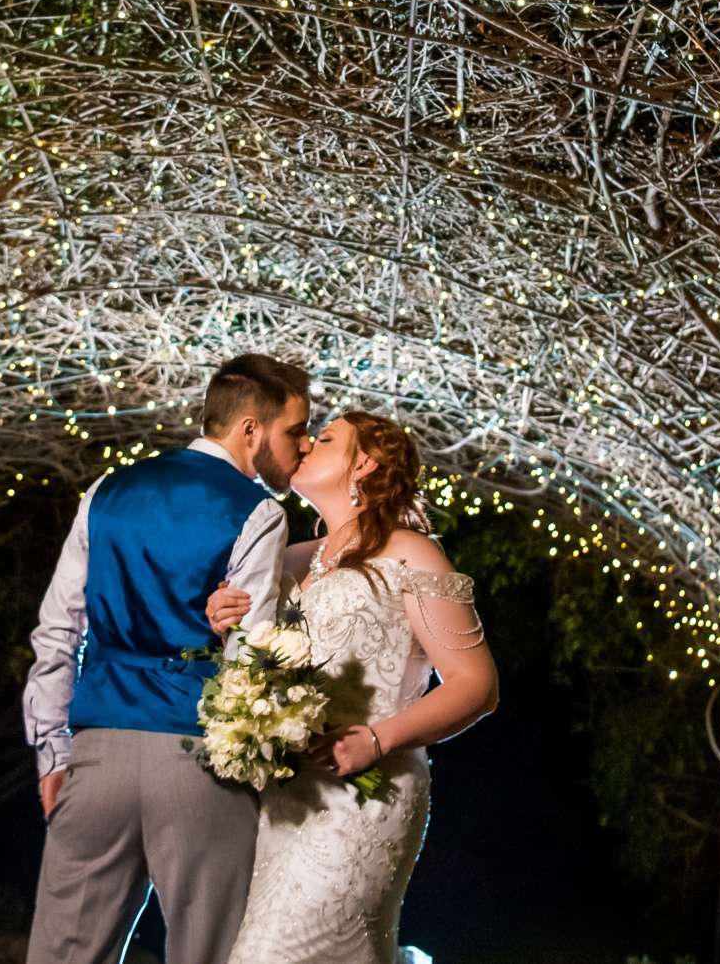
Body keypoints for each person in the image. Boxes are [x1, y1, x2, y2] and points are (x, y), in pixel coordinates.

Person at [22, 355, 313, 964]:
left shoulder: (107, 491)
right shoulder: (258, 511)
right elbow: (251, 655)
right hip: (198, 759)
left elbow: (57, 631)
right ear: (250, 431)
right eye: (293, 431)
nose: (301, 448)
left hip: (96, 754)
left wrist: (52, 750)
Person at [202, 411, 500, 964]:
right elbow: (254, 664)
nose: (309, 442)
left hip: (366, 793)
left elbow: (475, 684)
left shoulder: (410, 552)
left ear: (365, 463)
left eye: (329, 438)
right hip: (285, 799)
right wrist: (226, 621)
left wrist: (378, 739)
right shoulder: (286, 563)